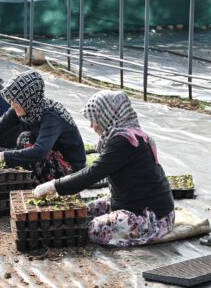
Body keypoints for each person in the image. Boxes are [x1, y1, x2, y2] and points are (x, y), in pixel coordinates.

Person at [33, 90, 175, 247]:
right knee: (83, 211)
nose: (92, 126)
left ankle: (138, 230)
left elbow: (93, 173)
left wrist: (54, 185)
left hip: (152, 216)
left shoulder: (124, 142)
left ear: (108, 116)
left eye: (95, 120)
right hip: (133, 204)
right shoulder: (131, 135)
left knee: (95, 228)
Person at [0, 70, 85, 183]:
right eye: (11, 100)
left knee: (25, 139)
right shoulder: (21, 108)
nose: (12, 104)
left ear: (29, 99)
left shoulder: (51, 116)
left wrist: (1, 156)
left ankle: (35, 183)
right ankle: (28, 180)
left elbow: (40, 151)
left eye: (17, 100)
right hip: (50, 157)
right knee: (10, 145)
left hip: (71, 170)